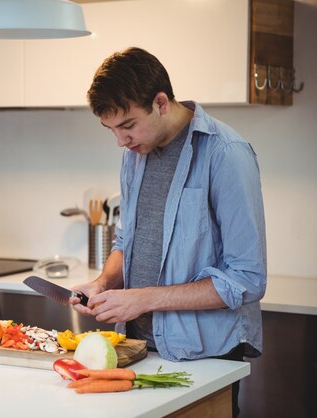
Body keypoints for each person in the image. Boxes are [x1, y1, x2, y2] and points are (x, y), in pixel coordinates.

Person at [71, 47, 266, 417]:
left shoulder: (225, 153)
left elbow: (247, 280)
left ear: (161, 102)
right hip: (136, 349)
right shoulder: (134, 155)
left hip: (203, 354)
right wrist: (104, 283)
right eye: (110, 130)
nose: (120, 141)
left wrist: (143, 299)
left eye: (127, 125)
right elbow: (128, 239)